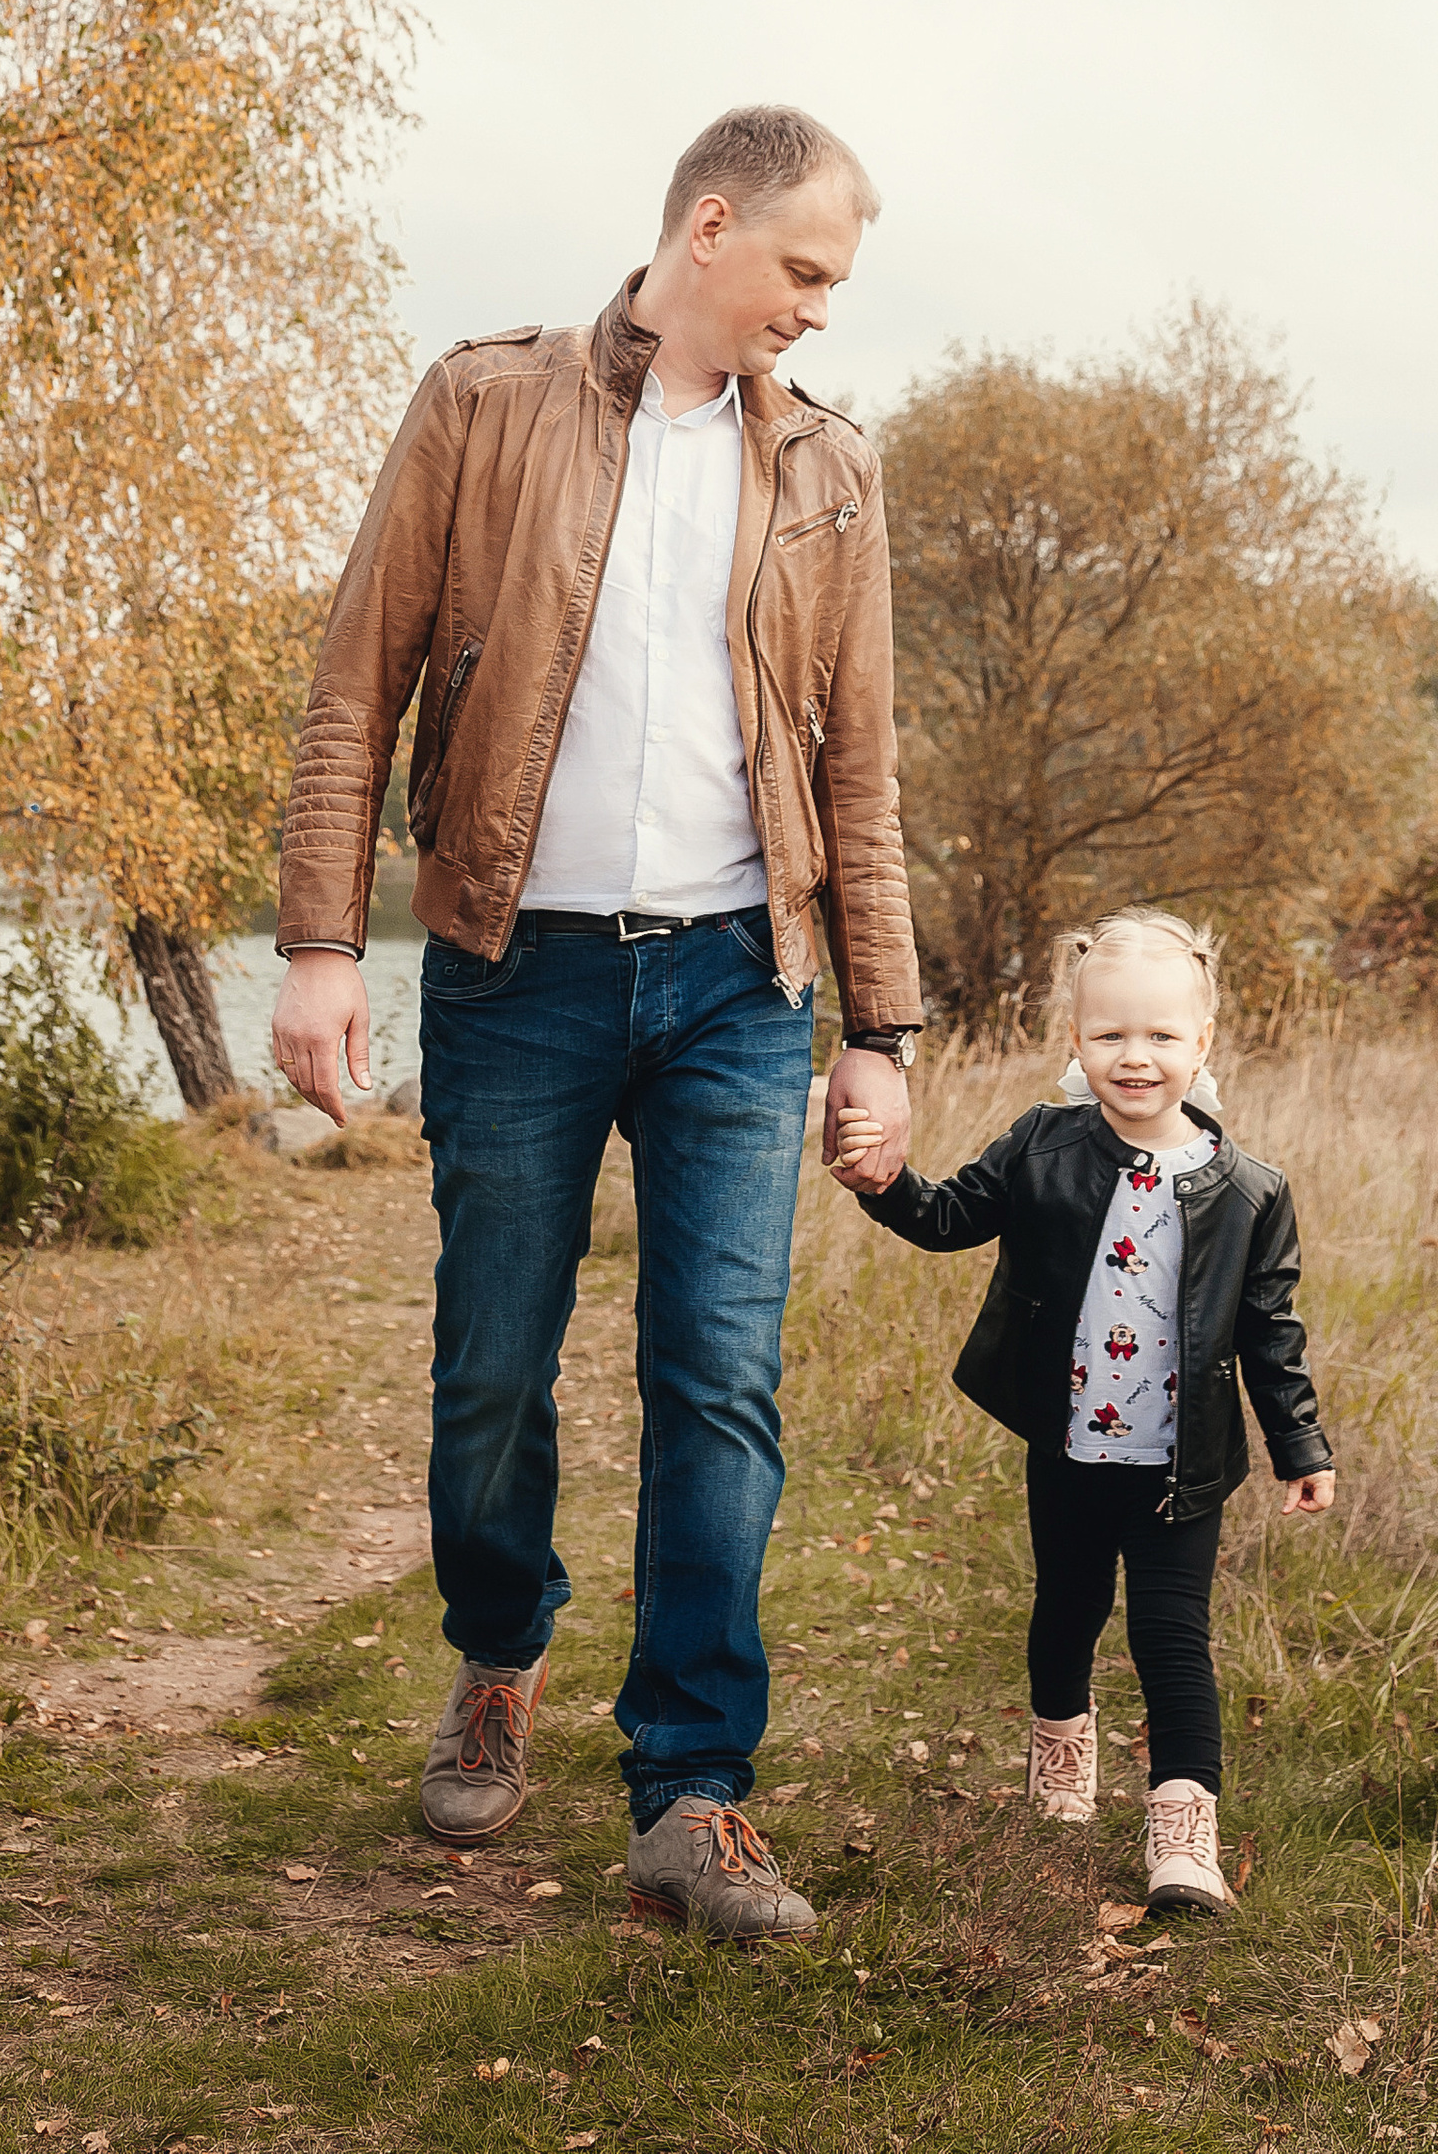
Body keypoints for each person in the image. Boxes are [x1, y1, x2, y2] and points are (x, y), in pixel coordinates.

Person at [270, 104, 926, 1943]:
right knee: (493, 1362)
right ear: (707, 228)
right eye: (802, 269)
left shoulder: (834, 477)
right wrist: (322, 940)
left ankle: (691, 1787)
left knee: (718, 1376)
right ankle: (497, 1649)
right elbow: (356, 682)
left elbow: (859, 772)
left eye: (835, 283)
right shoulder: (486, 404)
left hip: (737, 981)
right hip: (513, 963)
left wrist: (877, 1023)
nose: (818, 309)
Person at [832, 907, 1332, 1910]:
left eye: (1158, 1036)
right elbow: (949, 1217)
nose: (1133, 1057)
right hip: (1065, 1449)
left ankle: (1183, 1826)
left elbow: (1269, 1331)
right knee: (1066, 1610)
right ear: (1074, 1039)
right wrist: (882, 1182)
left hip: (1179, 1466)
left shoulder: (1249, 1192)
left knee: (1170, 1635)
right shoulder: (1041, 1147)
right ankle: (1061, 1754)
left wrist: (1297, 1441)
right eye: (1108, 1034)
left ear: (1203, 1040)